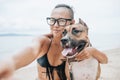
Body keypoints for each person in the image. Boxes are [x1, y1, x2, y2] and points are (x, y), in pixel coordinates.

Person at [0, 4, 108, 80]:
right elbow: (29, 51)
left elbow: (103, 60)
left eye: (61, 21)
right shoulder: (44, 40)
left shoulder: (76, 46)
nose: (55, 25)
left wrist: (92, 51)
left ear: (72, 22)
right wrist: (8, 64)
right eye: (52, 20)